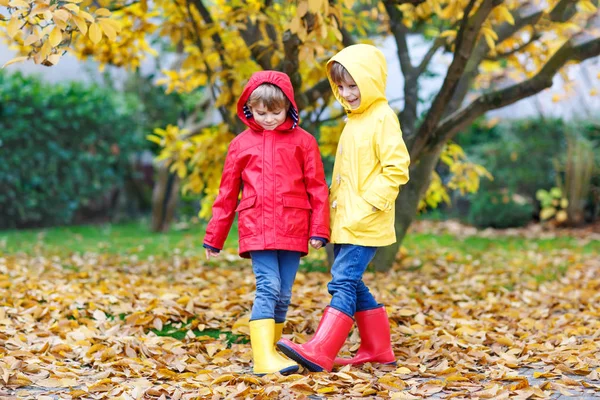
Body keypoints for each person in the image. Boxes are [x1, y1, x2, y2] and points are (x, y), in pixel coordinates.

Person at [277, 44, 410, 372]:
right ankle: (378, 349)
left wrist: (369, 205)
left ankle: (321, 350)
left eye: (354, 86)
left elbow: (397, 168)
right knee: (352, 281)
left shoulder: (382, 117)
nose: (347, 93)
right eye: (341, 86)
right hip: (347, 219)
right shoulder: (354, 121)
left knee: (342, 280)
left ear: (371, 82)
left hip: (366, 220)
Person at [203, 70, 330, 375]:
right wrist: (214, 237)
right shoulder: (240, 144)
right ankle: (262, 360)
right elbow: (227, 192)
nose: (269, 119)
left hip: (294, 224)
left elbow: (317, 187)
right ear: (249, 108)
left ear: (289, 108)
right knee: (268, 286)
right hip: (256, 225)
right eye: (261, 113)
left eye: (276, 112)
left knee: (284, 293)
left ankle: (271, 352)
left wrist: (320, 230)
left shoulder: (304, 141)